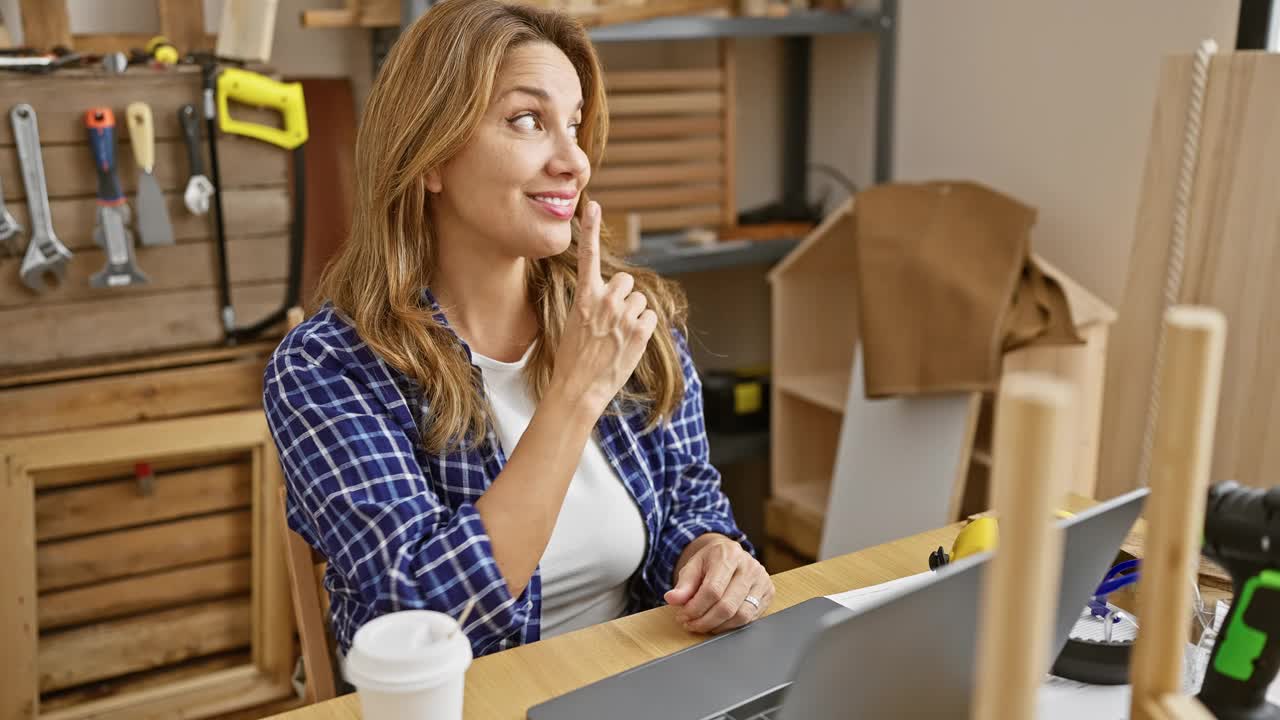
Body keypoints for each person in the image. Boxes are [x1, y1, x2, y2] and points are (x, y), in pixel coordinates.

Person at [262, 0, 772, 659]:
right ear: (430, 158)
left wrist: (712, 554)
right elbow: (424, 619)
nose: (574, 161)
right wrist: (575, 394)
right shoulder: (328, 369)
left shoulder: (622, 320)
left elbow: (689, 503)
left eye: (576, 125)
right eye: (529, 120)